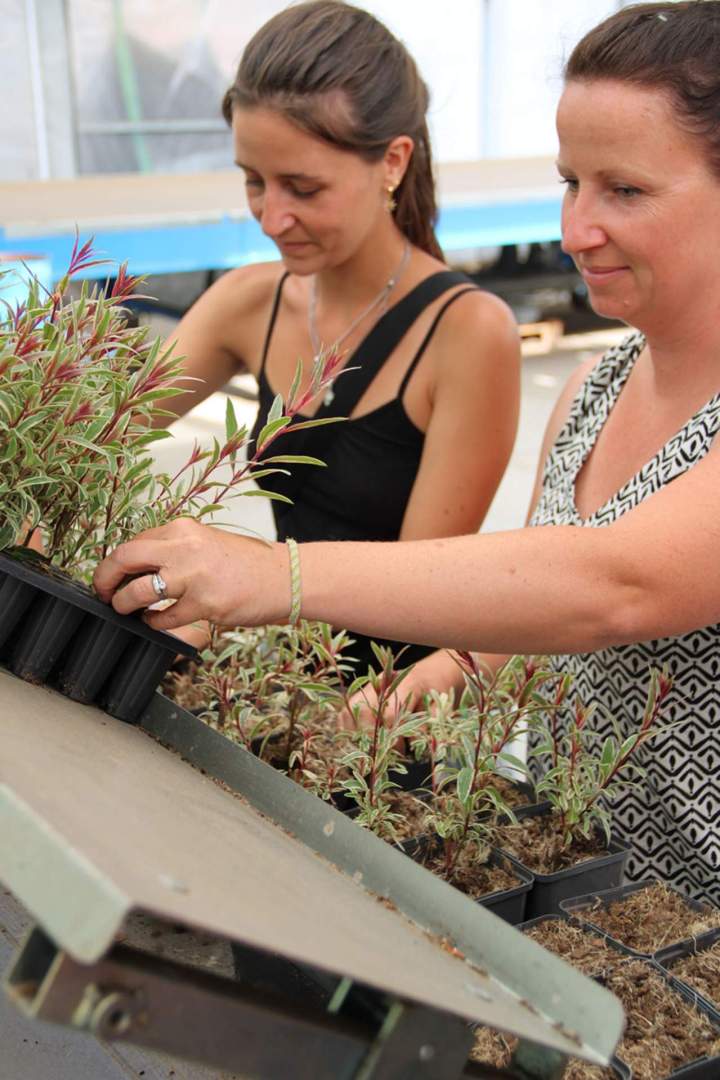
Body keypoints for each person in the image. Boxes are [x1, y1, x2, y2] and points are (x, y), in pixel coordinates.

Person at [96, 0, 720, 906]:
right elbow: (541, 631)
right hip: (584, 897)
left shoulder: (467, 331)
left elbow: (613, 587)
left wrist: (275, 577)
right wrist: (424, 686)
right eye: (570, 182)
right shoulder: (597, 387)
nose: (576, 228)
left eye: (623, 190)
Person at [159, 0, 520, 671]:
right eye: (253, 182)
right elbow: (92, 424)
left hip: (374, 722)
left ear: (392, 162)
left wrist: (251, 582)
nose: (271, 216)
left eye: (302, 187)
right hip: (267, 676)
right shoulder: (248, 301)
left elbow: (423, 594)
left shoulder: (467, 333)